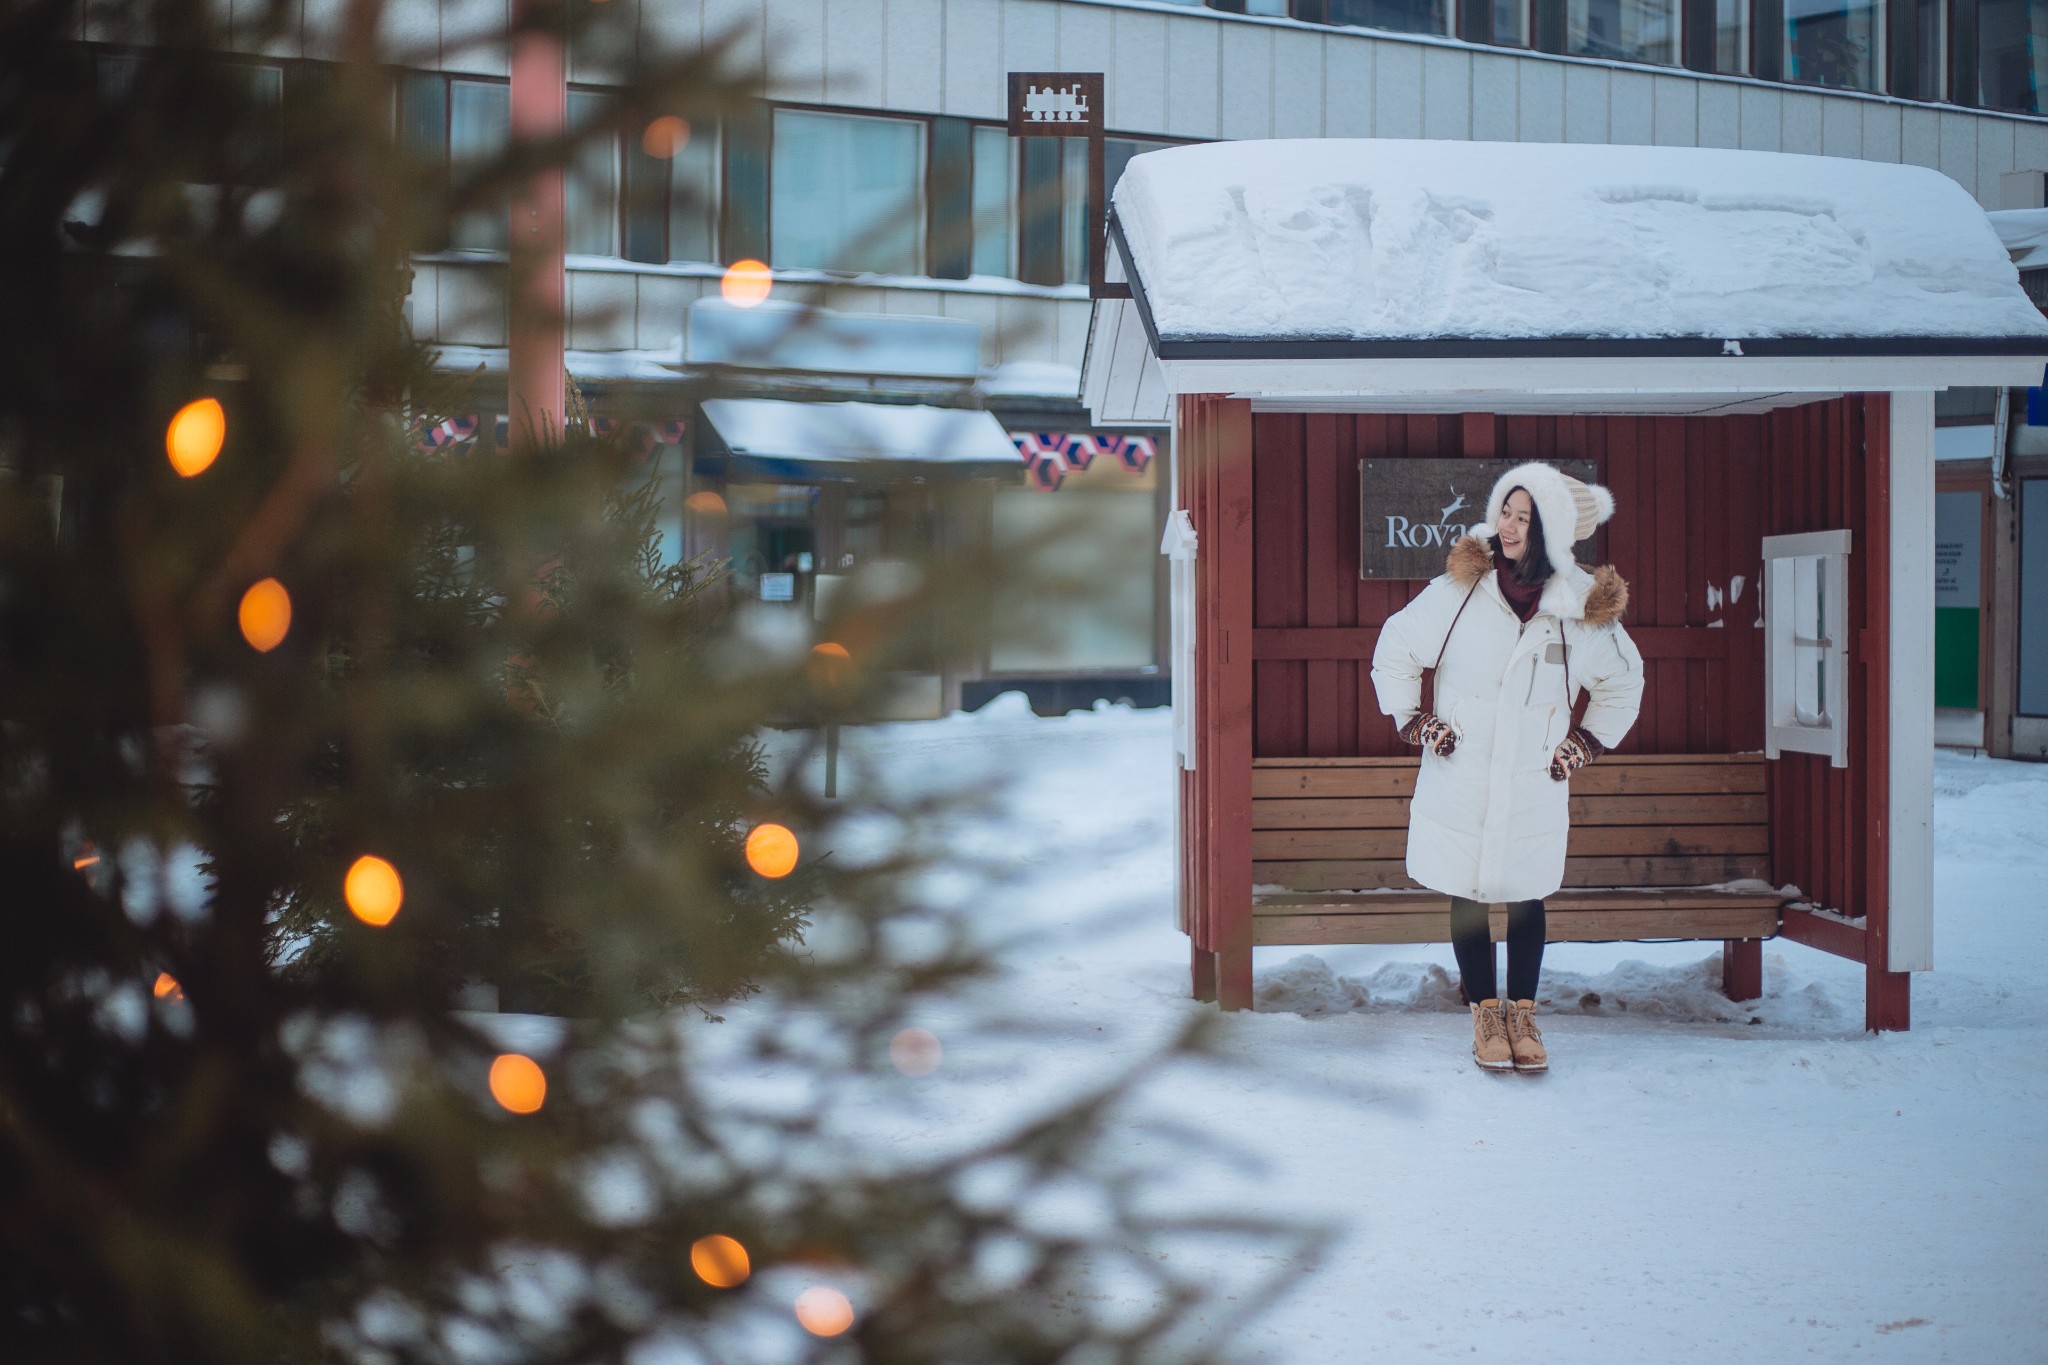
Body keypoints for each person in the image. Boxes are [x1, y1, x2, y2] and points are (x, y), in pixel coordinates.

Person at [1370, 463, 1644, 1073]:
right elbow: (1395, 649)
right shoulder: (1461, 591)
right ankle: (1485, 1016)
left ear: (1551, 529)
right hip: (1462, 767)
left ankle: (1524, 1016)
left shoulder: (1577, 608)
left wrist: (1587, 742)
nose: (1510, 526)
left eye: (1525, 516)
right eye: (1506, 512)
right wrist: (1415, 721)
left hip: (1533, 775)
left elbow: (1623, 680)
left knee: (1526, 892)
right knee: (1466, 889)